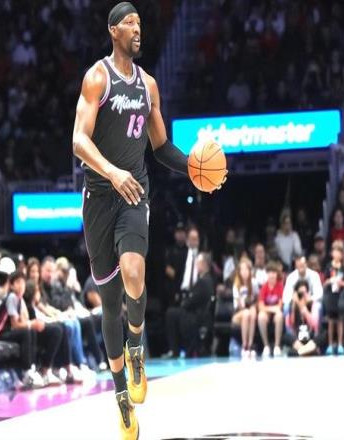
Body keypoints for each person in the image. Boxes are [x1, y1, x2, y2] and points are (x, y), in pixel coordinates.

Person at [72, 3, 224, 437]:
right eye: (130, 23)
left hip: (134, 193)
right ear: (113, 30)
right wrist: (112, 172)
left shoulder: (149, 85)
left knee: (135, 274)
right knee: (110, 302)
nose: (138, 29)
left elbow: (160, 147)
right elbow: (79, 140)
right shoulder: (97, 78)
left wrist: (194, 168)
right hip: (99, 197)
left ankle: (136, 344)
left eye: (140, 23)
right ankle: (122, 395)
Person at [164, 252, 214, 358]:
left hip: (197, 316)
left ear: (204, 264)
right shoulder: (207, 279)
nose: (196, 265)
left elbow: (192, 301)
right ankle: (175, 349)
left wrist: (184, 303)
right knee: (174, 312)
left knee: (171, 313)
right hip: (197, 313)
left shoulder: (204, 281)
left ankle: (174, 350)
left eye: (198, 263)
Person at [283, 255, 323, 334]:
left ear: (306, 264)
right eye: (299, 265)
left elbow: (319, 294)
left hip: (310, 301)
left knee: (318, 306)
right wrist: (295, 300)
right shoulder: (291, 277)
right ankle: (290, 335)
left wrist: (309, 299)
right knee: (286, 307)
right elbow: (285, 297)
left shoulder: (314, 275)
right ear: (296, 266)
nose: (301, 267)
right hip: (296, 303)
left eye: (303, 265)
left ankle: (316, 333)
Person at [323, 241, 344, 355]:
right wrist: (330, 281)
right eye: (335, 251)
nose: (337, 254)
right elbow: (324, 282)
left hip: (340, 296)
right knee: (331, 321)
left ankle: (340, 345)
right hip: (331, 296)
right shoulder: (328, 266)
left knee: (340, 321)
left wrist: (341, 283)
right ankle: (329, 345)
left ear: (342, 254)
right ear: (332, 253)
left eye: (339, 251)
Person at [231, 258, 259, 359]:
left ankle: (250, 345)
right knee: (246, 313)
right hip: (238, 313)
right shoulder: (236, 285)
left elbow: (257, 299)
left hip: (250, 309)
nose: (244, 272)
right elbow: (239, 305)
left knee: (252, 312)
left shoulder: (254, 283)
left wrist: (253, 306)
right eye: (242, 270)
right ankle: (244, 346)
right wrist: (244, 302)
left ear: (250, 271)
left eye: (246, 269)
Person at [257, 261, 284, 358]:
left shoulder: (280, 286)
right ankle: (266, 346)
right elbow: (260, 306)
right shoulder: (264, 287)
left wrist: (270, 308)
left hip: (276, 313)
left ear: (277, 274)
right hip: (268, 312)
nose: (272, 275)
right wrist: (272, 309)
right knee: (261, 316)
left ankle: (277, 346)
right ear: (267, 274)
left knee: (279, 315)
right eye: (269, 273)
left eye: (273, 273)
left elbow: (280, 306)